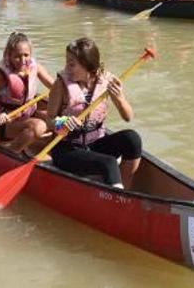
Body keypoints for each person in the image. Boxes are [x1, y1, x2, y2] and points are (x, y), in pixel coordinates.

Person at [47, 37, 139, 189]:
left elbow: (128, 117)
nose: (67, 68)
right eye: (67, 63)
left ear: (87, 65)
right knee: (109, 162)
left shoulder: (106, 80)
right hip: (67, 149)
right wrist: (62, 123)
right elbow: (49, 120)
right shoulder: (60, 85)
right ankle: (118, 198)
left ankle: (124, 191)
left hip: (95, 143)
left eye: (71, 64)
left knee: (132, 139)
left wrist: (120, 98)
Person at [0, 32, 54, 153]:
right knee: (39, 126)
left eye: (26, 55)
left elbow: (55, 87)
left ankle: (48, 145)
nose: (23, 60)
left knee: (59, 121)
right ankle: (11, 151)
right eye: (17, 56)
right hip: (7, 123)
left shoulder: (34, 66)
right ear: (9, 55)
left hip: (29, 114)